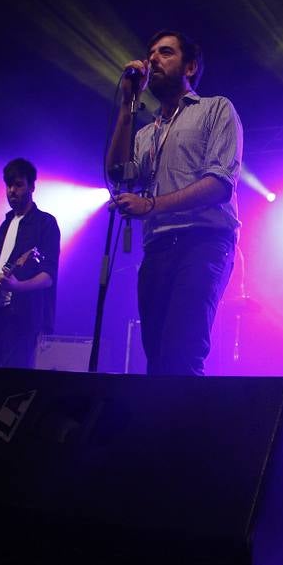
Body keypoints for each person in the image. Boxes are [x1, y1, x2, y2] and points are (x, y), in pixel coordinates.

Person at [107, 30, 242, 375]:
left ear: (191, 66)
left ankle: (185, 428)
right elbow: (118, 175)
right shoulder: (145, 133)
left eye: (165, 53)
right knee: (156, 357)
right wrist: (126, 107)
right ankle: (163, 427)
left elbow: (219, 185)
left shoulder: (216, 109)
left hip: (204, 243)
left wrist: (150, 206)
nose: (153, 59)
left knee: (181, 352)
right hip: (157, 248)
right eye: (150, 53)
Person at [0, 157, 60, 399]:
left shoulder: (45, 224)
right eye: (8, 185)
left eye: (18, 185)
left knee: (10, 391)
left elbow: (48, 276)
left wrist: (18, 286)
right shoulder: (6, 223)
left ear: (32, 186)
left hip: (21, 320)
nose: (11, 191)